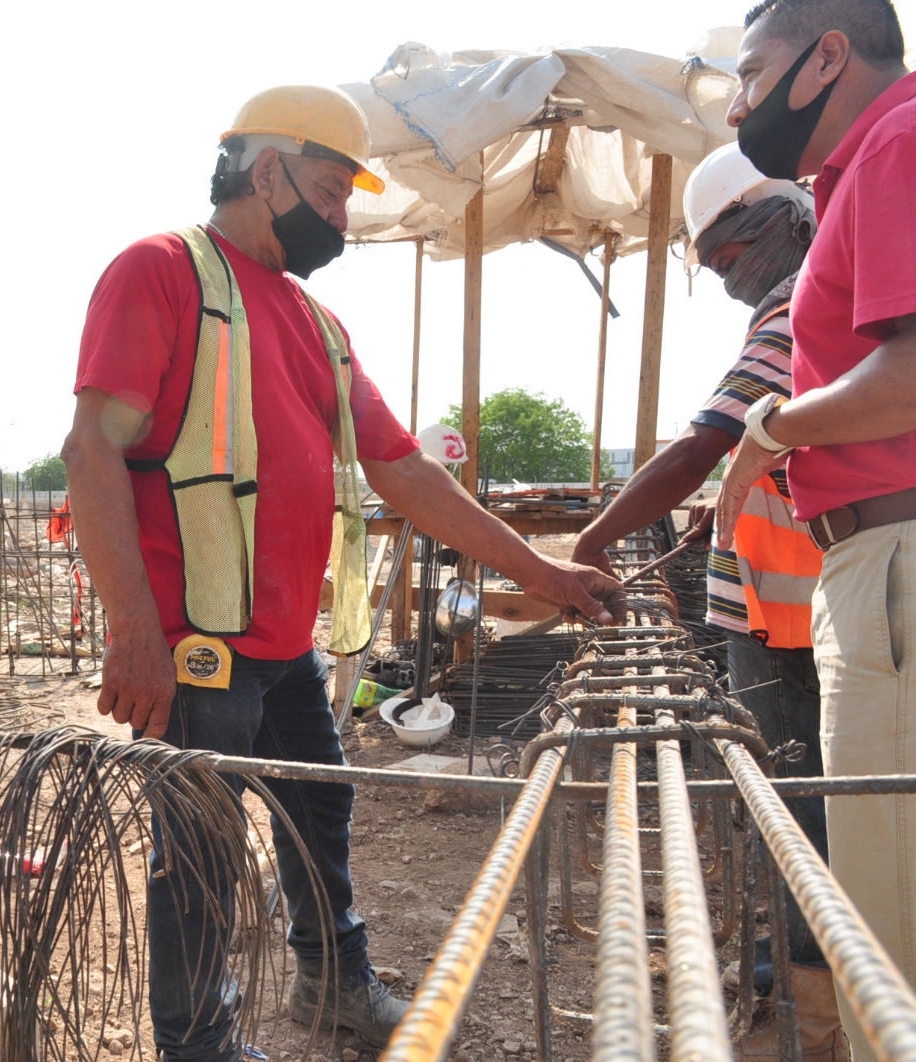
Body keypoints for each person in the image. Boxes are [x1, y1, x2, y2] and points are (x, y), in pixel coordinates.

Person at [61, 84, 623, 1062]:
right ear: (265, 170)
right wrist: (131, 630)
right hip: (195, 644)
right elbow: (91, 450)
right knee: (198, 851)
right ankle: (198, 1043)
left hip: (280, 645)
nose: (339, 220)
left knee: (319, 800)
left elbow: (405, 471)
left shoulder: (317, 326)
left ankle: (333, 984)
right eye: (327, 193)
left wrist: (543, 568)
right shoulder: (161, 273)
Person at [572, 141, 843, 1059]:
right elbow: (765, 449)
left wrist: (595, 541)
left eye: (731, 254)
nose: (728, 276)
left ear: (781, 217)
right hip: (773, 602)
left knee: (799, 807)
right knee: (789, 798)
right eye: (714, 263)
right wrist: (722, 512)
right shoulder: (796, 302)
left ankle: (810, 1009)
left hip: (791, 621)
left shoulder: (797, 301)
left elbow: (700, 444)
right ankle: (788, 964)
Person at [716, 1, 915, 1057]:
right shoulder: (861, 173)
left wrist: (770, 425)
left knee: (887, 933)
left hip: (893, 567)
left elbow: (909, 379)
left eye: (752, 71)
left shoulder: (896, 142)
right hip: (875, 564)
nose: (741, 101)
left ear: (826, 54)